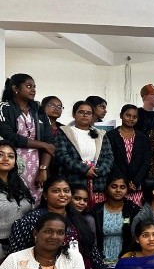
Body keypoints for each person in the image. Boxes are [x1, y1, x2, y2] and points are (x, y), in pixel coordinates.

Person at [9, 176, 107, 269]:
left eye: (66, 191)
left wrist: (100, 267)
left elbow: (90, 245)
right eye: (56, 191)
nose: (62, 195)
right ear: (45, 194)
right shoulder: (30, 220)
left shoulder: (78, 218)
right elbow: (18, 254)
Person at [0, 74, 54, 202]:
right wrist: (43, 145)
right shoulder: (4, 108)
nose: (33, 90)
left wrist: (43, 168)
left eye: (34, 87)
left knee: (34, 201)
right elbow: (11, 137)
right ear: (15, 88)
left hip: (37, 165)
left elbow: (49, 143)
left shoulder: (39, 111)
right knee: (13, 199)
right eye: (29, 86)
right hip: (11, 163)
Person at [55, 101, 115, 206]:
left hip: (98, 181)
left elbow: (108, 157)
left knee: (96, 213)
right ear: (74, 114)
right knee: (75, 211)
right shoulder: (65, 132)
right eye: (81, 112)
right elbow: (62, 155)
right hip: (74, 180)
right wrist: (85, 169)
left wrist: (97, 171)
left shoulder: (100, 134)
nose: (85, 115)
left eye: (88, 113)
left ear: (92, 116)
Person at [90, 175, 141, 263]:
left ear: (127, 190)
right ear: (106, 189)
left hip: (126, 261)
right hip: (100, 262)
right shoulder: (96, 211)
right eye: (114, 187)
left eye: (122, 187)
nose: (118, 190)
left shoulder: (133, 210)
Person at [107, 104, 151, 206]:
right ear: (121, 115)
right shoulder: (111, 136)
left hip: (136, 185)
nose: (131, 119)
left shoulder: (142, 137)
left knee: (135, 212)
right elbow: (110, 160)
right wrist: (124, 182)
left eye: (134, 117)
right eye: (128, 115)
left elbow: (146, 161)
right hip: (117, 184)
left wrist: (135, 181)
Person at [0, 141, 34, 262]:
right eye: (0, 155)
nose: (6, 159)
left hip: (23, 246)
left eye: (11, 156)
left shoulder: (19, 183)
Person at [40, 95, 64, 178]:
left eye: (59, 107)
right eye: (52, 105)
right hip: (40, 163)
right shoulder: (37, 125)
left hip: (59, 167)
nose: (56, 108)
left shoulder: (64, 129)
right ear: (43, 107)